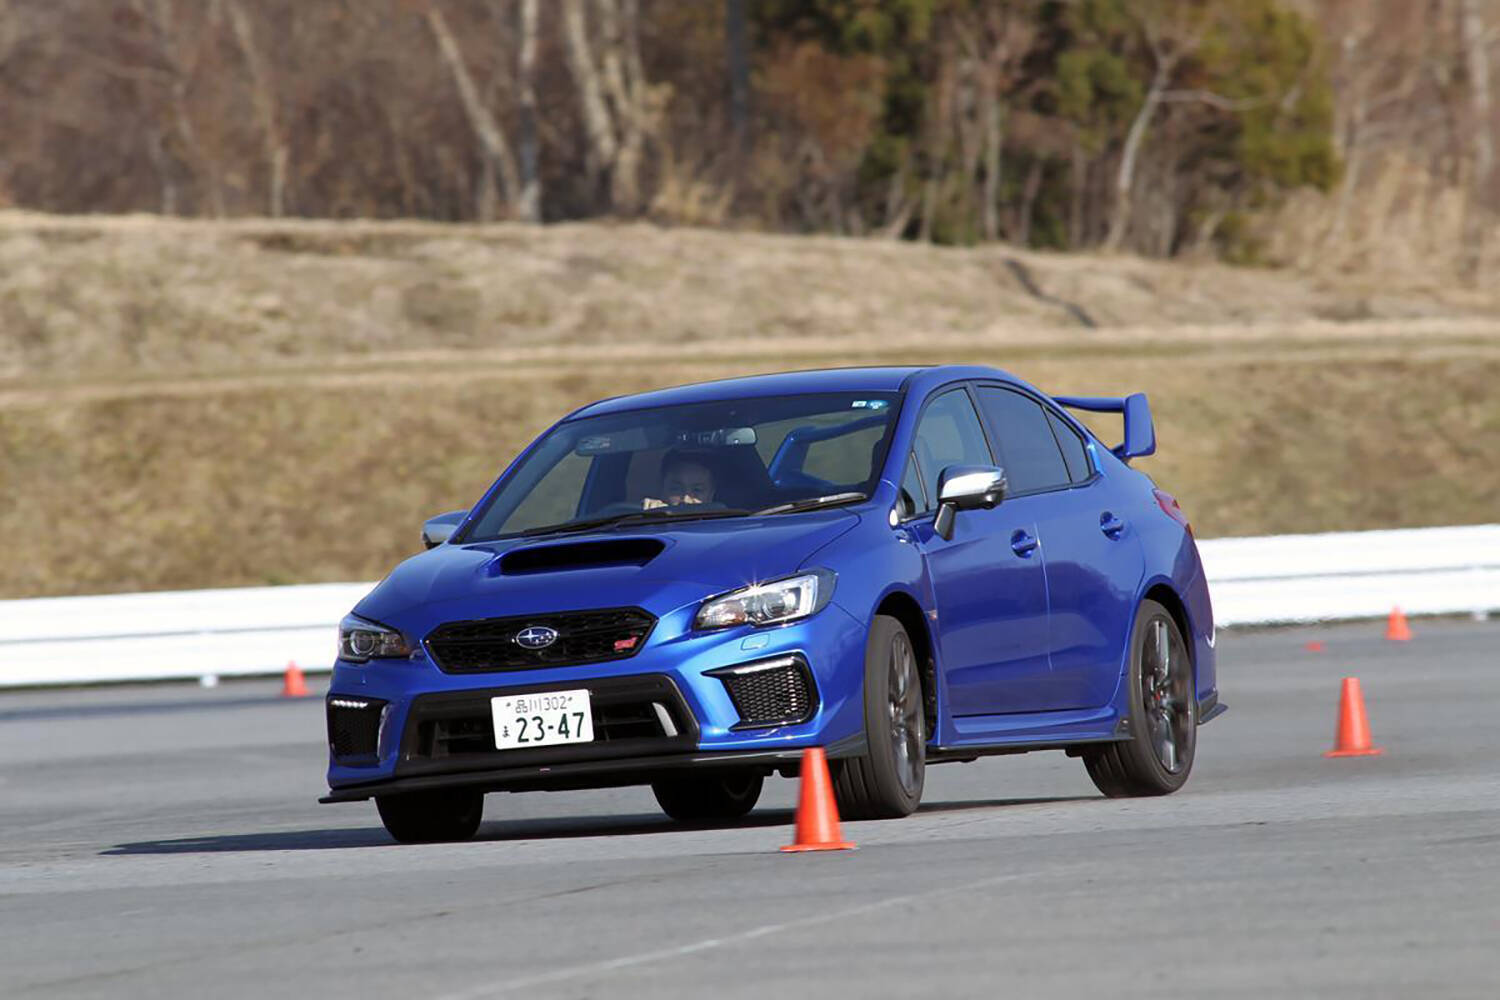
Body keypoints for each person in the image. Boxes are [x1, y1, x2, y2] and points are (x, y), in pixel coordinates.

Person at [642, 450, 716, 509]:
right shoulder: (649, 520)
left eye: (697, 490)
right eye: (676, 489)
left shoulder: (720, 522)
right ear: (662, 490)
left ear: (710, 495)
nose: (686, 500)